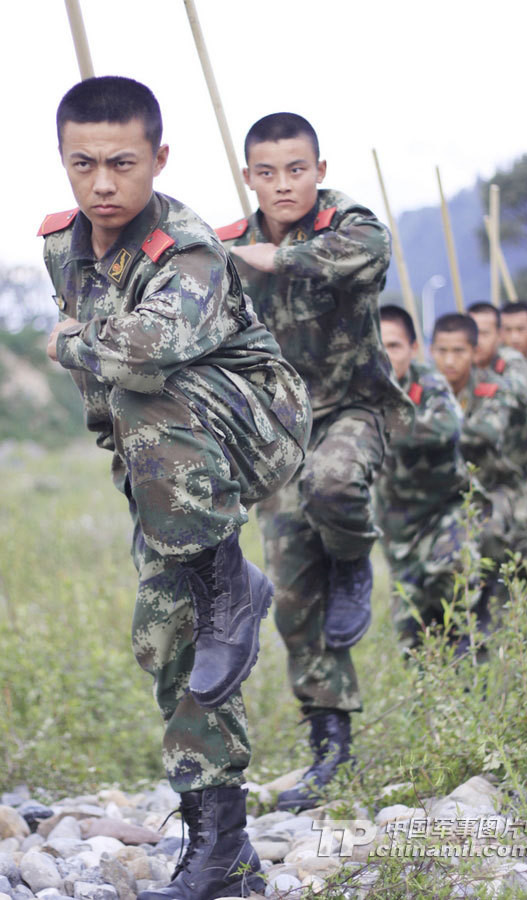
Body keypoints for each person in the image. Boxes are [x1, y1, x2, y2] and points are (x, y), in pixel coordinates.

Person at [42, 76, 312, 900]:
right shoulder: (63, 245)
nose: (102, 184)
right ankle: (223, 847)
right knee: (171, 640)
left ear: (159, 158)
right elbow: (108, 389)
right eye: (82, 164)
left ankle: (229, 577)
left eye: (123, 163)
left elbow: (136, 355)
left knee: (141, 376)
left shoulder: (189, 247)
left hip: (253, 426)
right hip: (165, 463)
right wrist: (131, 470)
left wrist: (67, 343)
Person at [216, 113, 413, 810]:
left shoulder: (348, 223)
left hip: (354, 409)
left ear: (319, 170)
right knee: (295, 595)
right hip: (279, 431)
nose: (282, 184)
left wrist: (281, 257)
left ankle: (356, 556)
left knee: (334, 485)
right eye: (266, 173)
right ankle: (331, 748)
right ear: (249, 178)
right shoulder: (228, 245)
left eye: (296, 169)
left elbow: (370, 250)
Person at [375, 306, 483, 649]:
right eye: (378, 345)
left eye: (393, 345)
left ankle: (468, 669)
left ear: (413, 349)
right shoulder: (360, 388)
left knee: (451, 577)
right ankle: (426, 689)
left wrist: (382, 426)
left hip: (445, 509)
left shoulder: (430, 383)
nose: (385, 354)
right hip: (397, 521)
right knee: (411, 619)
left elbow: (447, 427)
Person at [431, 314, 527, 561]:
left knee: (488, 535)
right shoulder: (425, 389)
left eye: (458, 351)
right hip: (442, 492)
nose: (449, 360)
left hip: (493, 486)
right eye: (441, 351)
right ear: (430, 350)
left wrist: (428, 430)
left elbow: (486, 432)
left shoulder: (494, 389)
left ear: (474, 352)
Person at [468, 302, 527, 543]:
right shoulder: (461, 366)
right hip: (495, 472)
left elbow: (518, 393)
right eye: (472, 333)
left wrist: (488, 389)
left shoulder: (511, 361)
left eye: (485, 333)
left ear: (498, 336)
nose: (477, 340)